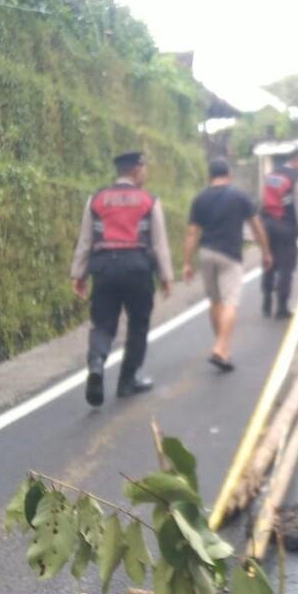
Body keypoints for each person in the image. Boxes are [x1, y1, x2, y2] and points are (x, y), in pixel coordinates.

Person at [70, 151, 174, 406]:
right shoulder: (149, 201)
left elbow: (86, 240)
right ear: (137, 170)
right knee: (138, 324)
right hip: (137, 268)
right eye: (144, 168)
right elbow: (159, 243)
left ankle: (96, 362)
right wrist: (166, 276)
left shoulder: (97, 200)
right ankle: (127, 381)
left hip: (104, 268)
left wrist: (78, 274)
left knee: (103, 323)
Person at [183, 158, 273, 372]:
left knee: (215, 302)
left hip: (206, 253)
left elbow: (192, 232)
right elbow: (257, 226)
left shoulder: (200, 199)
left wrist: (187, 263)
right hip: (230, 255)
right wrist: (266, 252)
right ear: (229, 175)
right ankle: (221, 347)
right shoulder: (239, 196)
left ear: (210, 176)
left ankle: (223, 350)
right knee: (230, 302)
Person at [261, 146, 298, 319]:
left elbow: (263, 201)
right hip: (287, 229)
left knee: (269, 264)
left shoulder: (272, 175)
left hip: (267, 226)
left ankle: (267, 300)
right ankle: (282, 308)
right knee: (286, 269)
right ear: (297, 159)